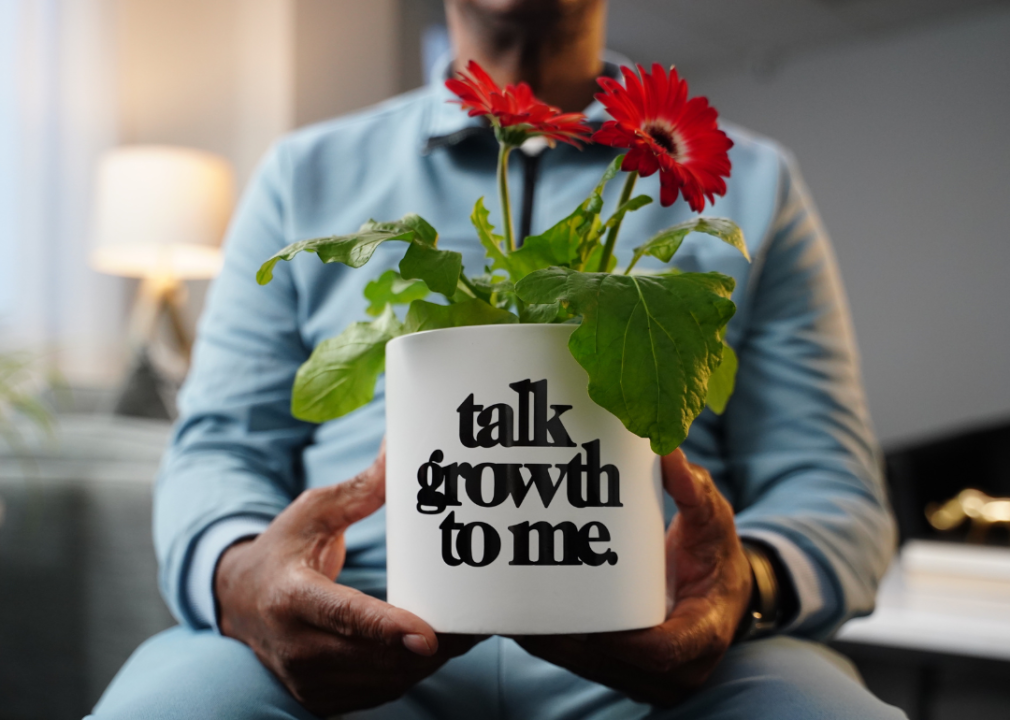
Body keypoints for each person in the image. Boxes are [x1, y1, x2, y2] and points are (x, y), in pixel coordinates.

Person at [90, 0, 904, 718]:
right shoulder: (303, 175)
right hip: (360, 615)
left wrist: (743, 585)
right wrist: (244, 581)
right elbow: (217, 452)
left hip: (664, 624)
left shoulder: (758, 186)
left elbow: (832, 489)